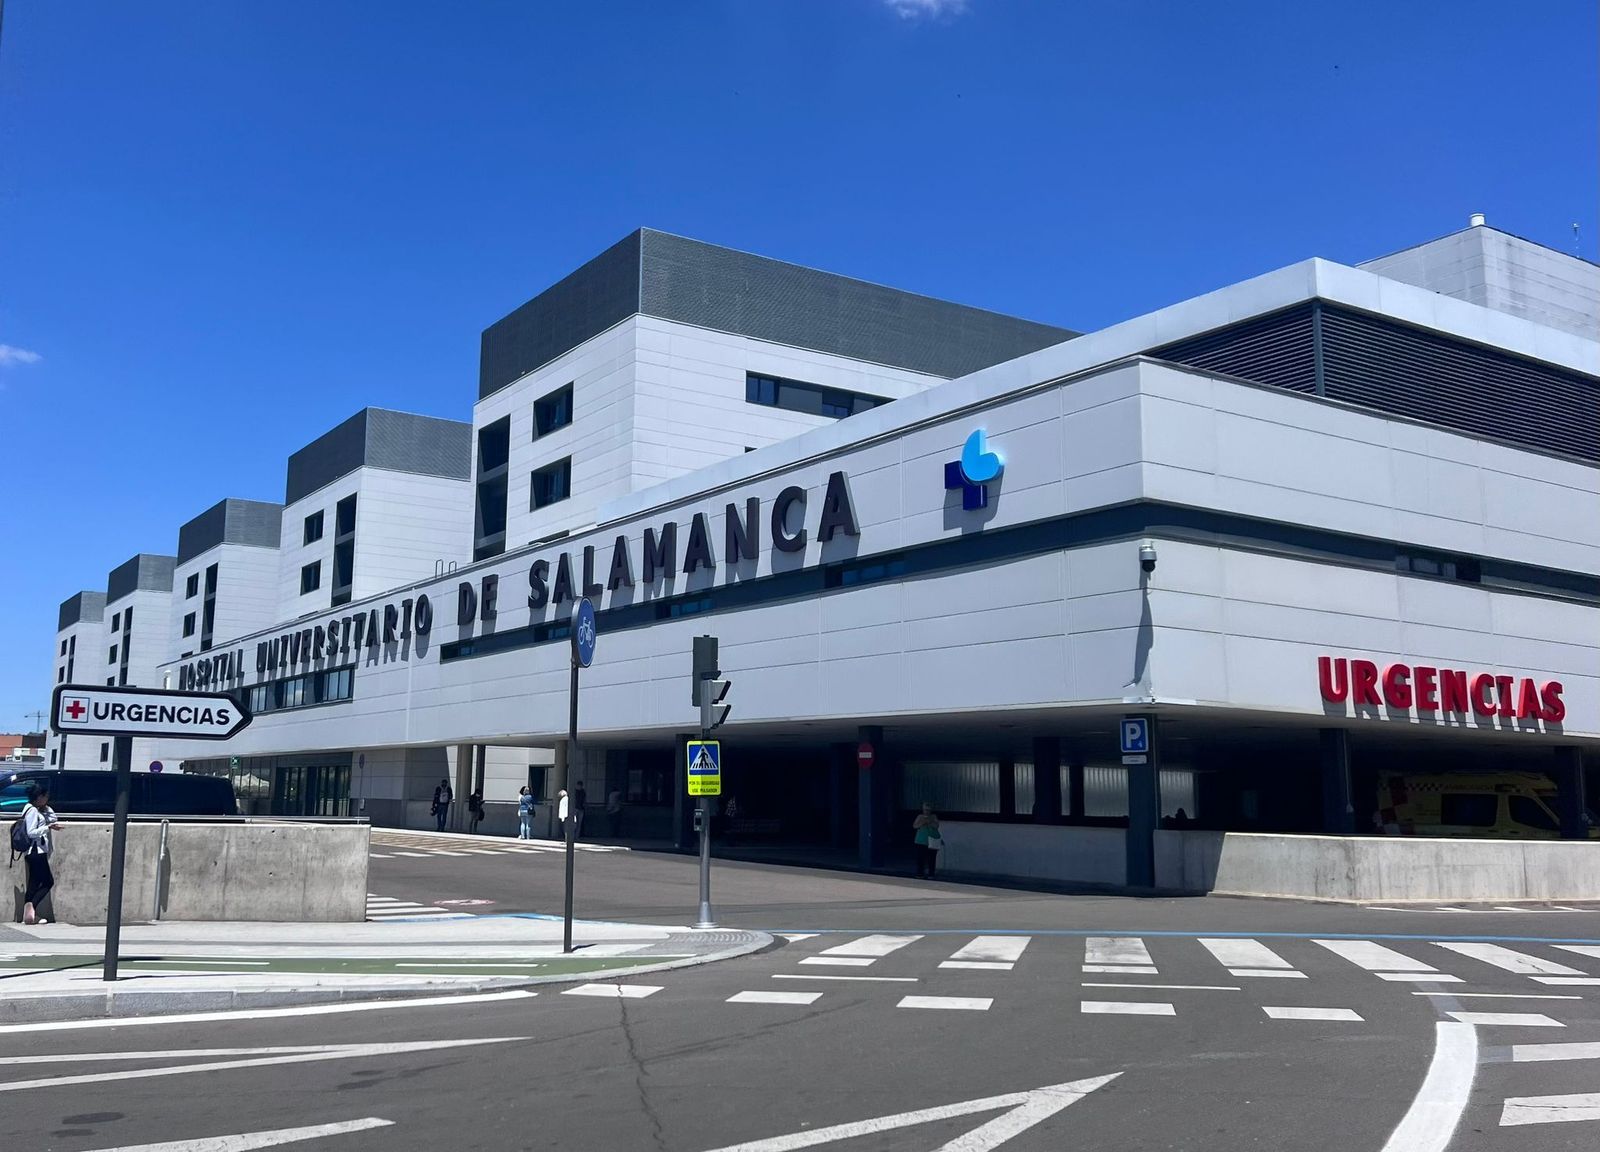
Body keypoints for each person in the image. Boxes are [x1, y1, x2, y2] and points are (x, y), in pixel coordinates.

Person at [21, 784, 61, 925]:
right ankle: (31, 906)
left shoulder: (34, 810)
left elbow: (53, 817)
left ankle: (29, 914)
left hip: (34, 852)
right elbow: (31, 832)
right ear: (39, 797)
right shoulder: (32, 811)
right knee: (48, 881)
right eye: (45, 796)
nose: (47, 799)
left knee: (33, 882)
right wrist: (47, 828)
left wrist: (46, 808)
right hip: (36, 851)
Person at [912, 802, 941, 879]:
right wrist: (922, 822)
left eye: (928, 810)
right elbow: (915, 826)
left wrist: (930, 822)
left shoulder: (933, 817)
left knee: (931, 858)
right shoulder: (920, 817)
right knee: (920, 858)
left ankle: (931, 873)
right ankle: (920, 873)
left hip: (931, 841)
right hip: (921, 841)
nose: (926, 811)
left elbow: (937, 826)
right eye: (925, 810)